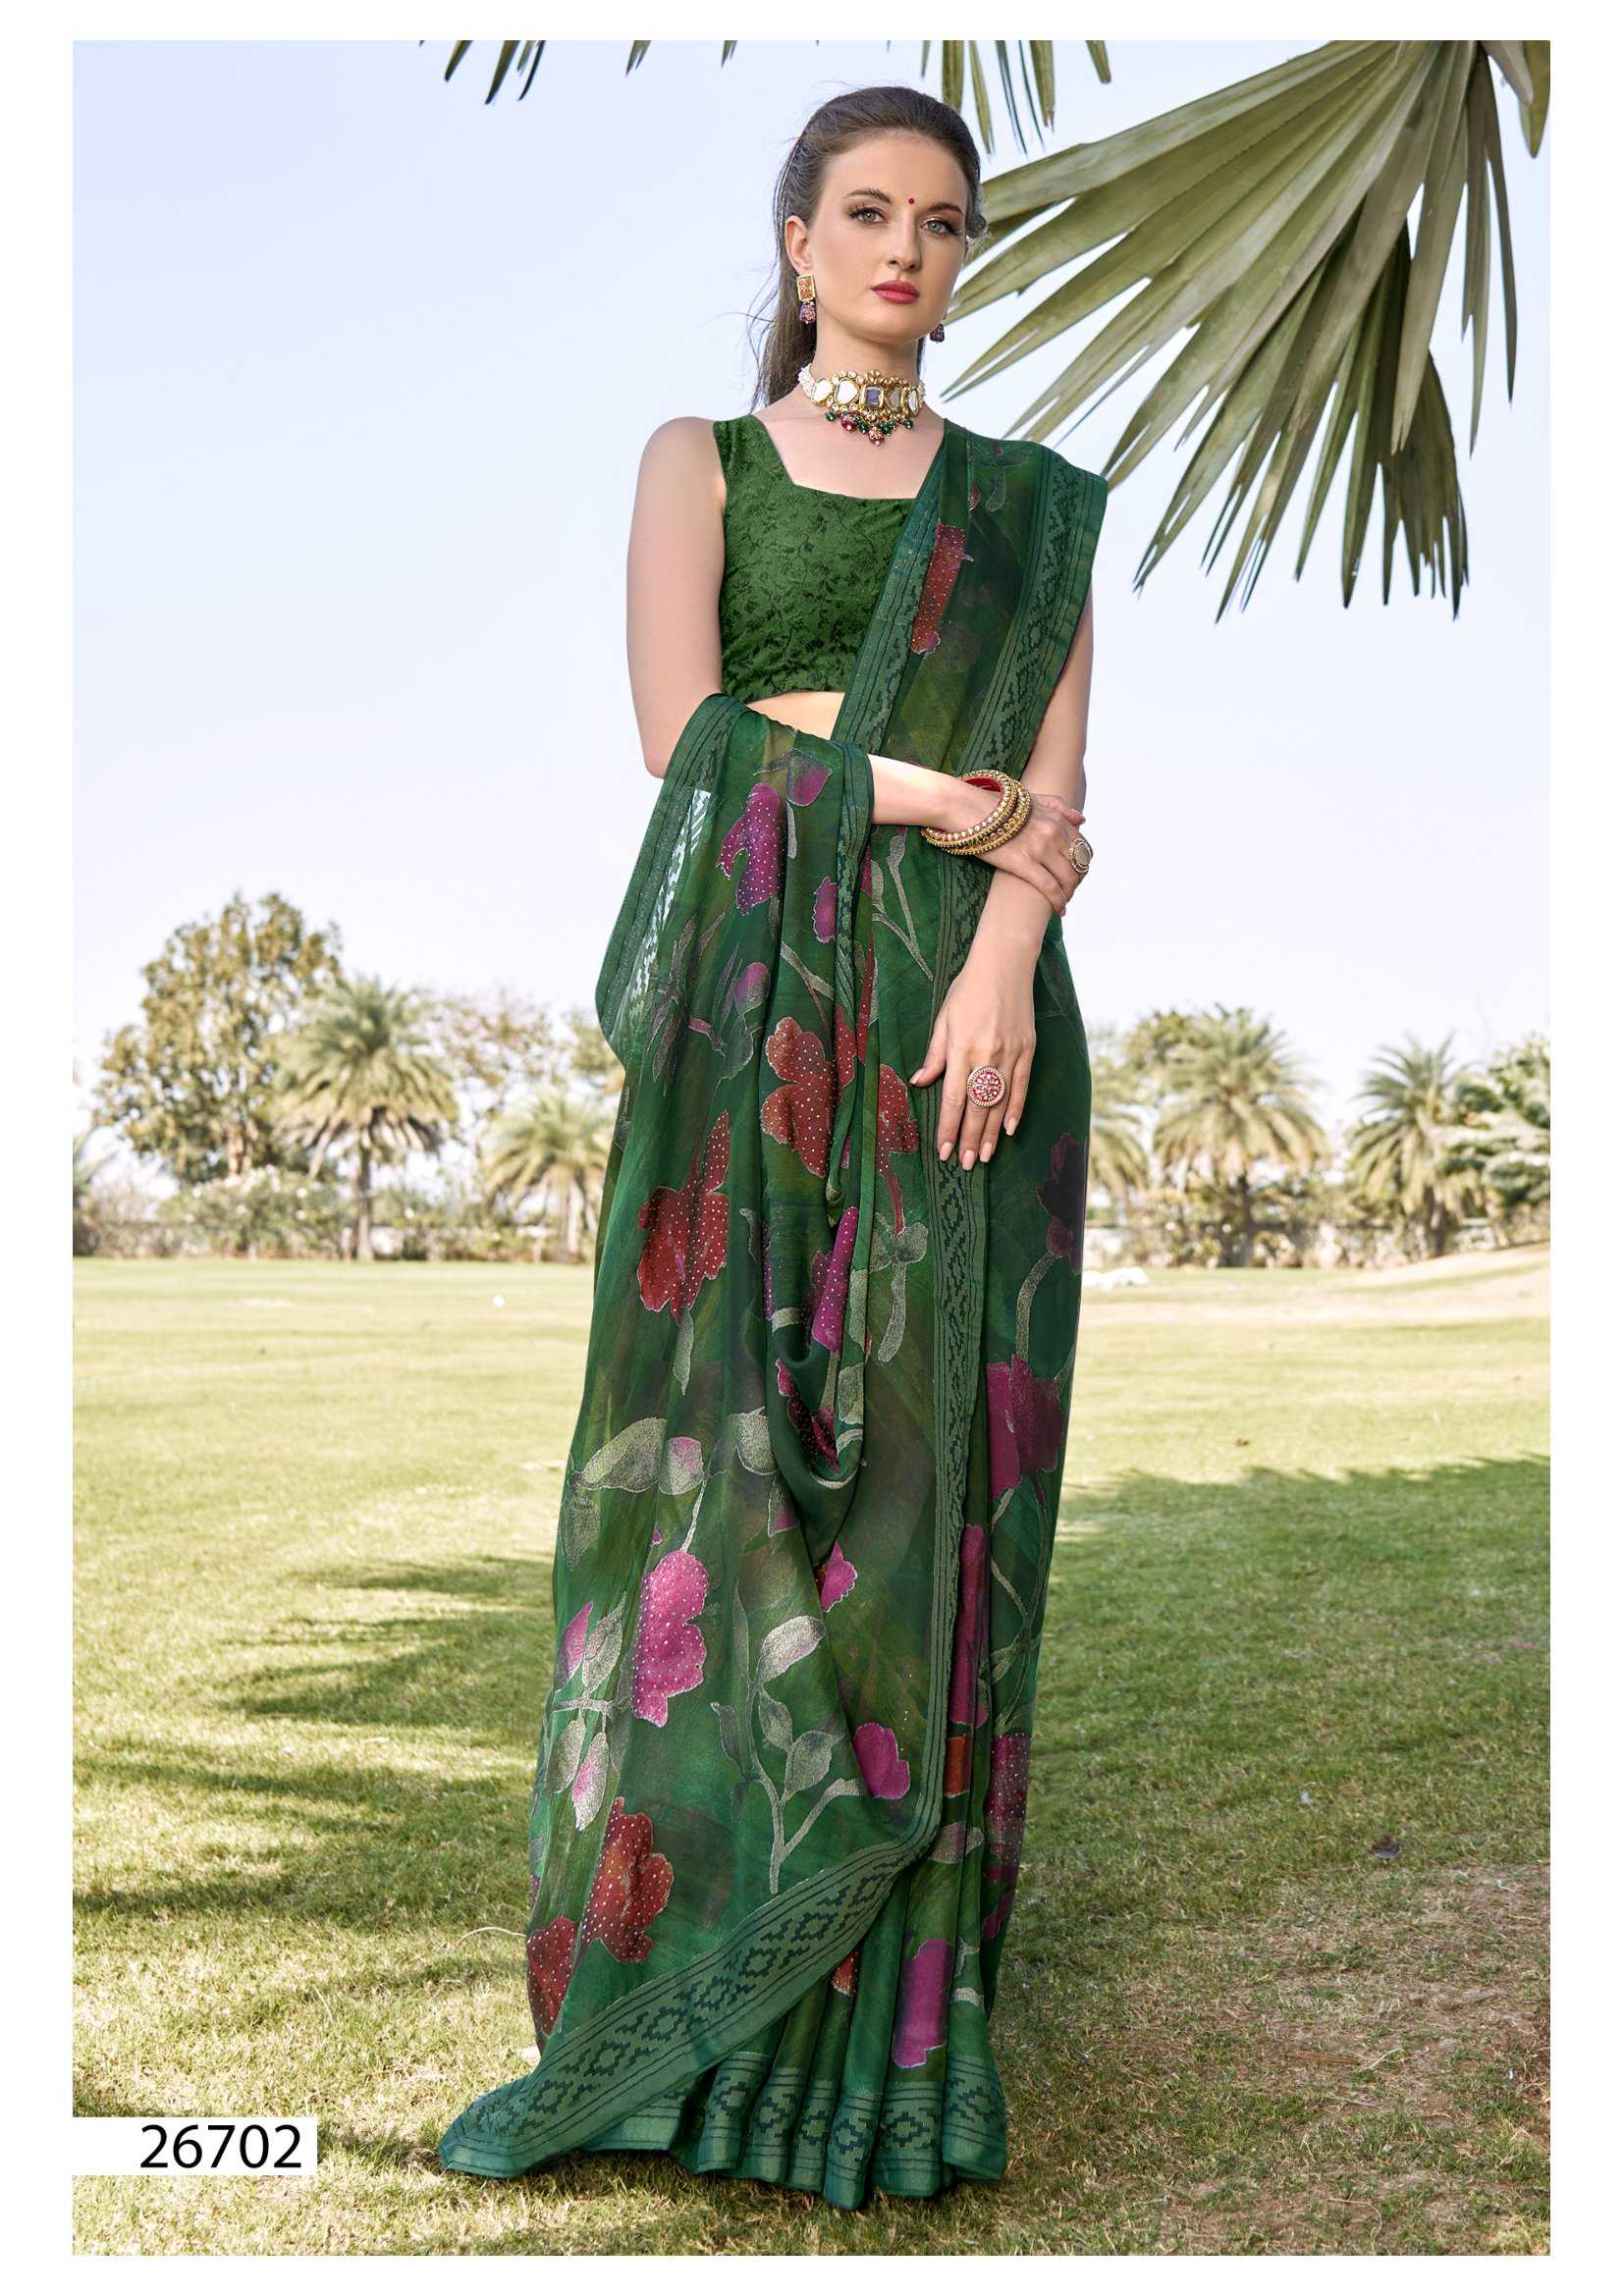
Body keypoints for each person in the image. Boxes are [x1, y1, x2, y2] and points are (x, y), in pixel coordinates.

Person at [438, 81, 1107, 2210]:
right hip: (755, 1017)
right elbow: (688, 733)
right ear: (799, 241)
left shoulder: (1027, 512)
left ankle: (888, 2041)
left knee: (926, 1488)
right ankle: (686, 2003)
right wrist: (930, 794)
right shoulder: (697, 463)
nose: (905, 249)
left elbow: (1058, 805)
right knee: (719, 1482)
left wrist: (998, 963)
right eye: (867, 213)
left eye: (942, 221)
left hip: (962, 1016)